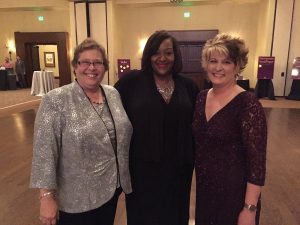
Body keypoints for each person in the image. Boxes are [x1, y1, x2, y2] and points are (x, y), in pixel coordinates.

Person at [30, 38, 133, 225]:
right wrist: (46, 196)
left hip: (111, 188)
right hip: (75, 198)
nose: (91, 67)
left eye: (98, 62)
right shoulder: (55, 100)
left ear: (105, 67)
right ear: (75, 67)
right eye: (85, 62)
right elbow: (44, 151)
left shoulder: (112, 94)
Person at [115, 30, 199, 225]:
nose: (162, 58)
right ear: (148, 55)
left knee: (176, 215)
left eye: (168, 53)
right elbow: (109, 108)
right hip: (142, 170)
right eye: (156, 52)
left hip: (179, 170)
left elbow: (199, 125)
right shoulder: (131, 82)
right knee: (143, 216)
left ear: (175, 56)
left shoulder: (188, 86)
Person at [192, 33, 267, 225]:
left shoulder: (248, 104)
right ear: (205, 64)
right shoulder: (201, 98)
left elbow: (256, 164)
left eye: (226, 62)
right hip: (206, 192)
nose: (218, 68)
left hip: (236, 197)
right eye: (213, 61)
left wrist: (249, 208)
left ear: (237, 65)